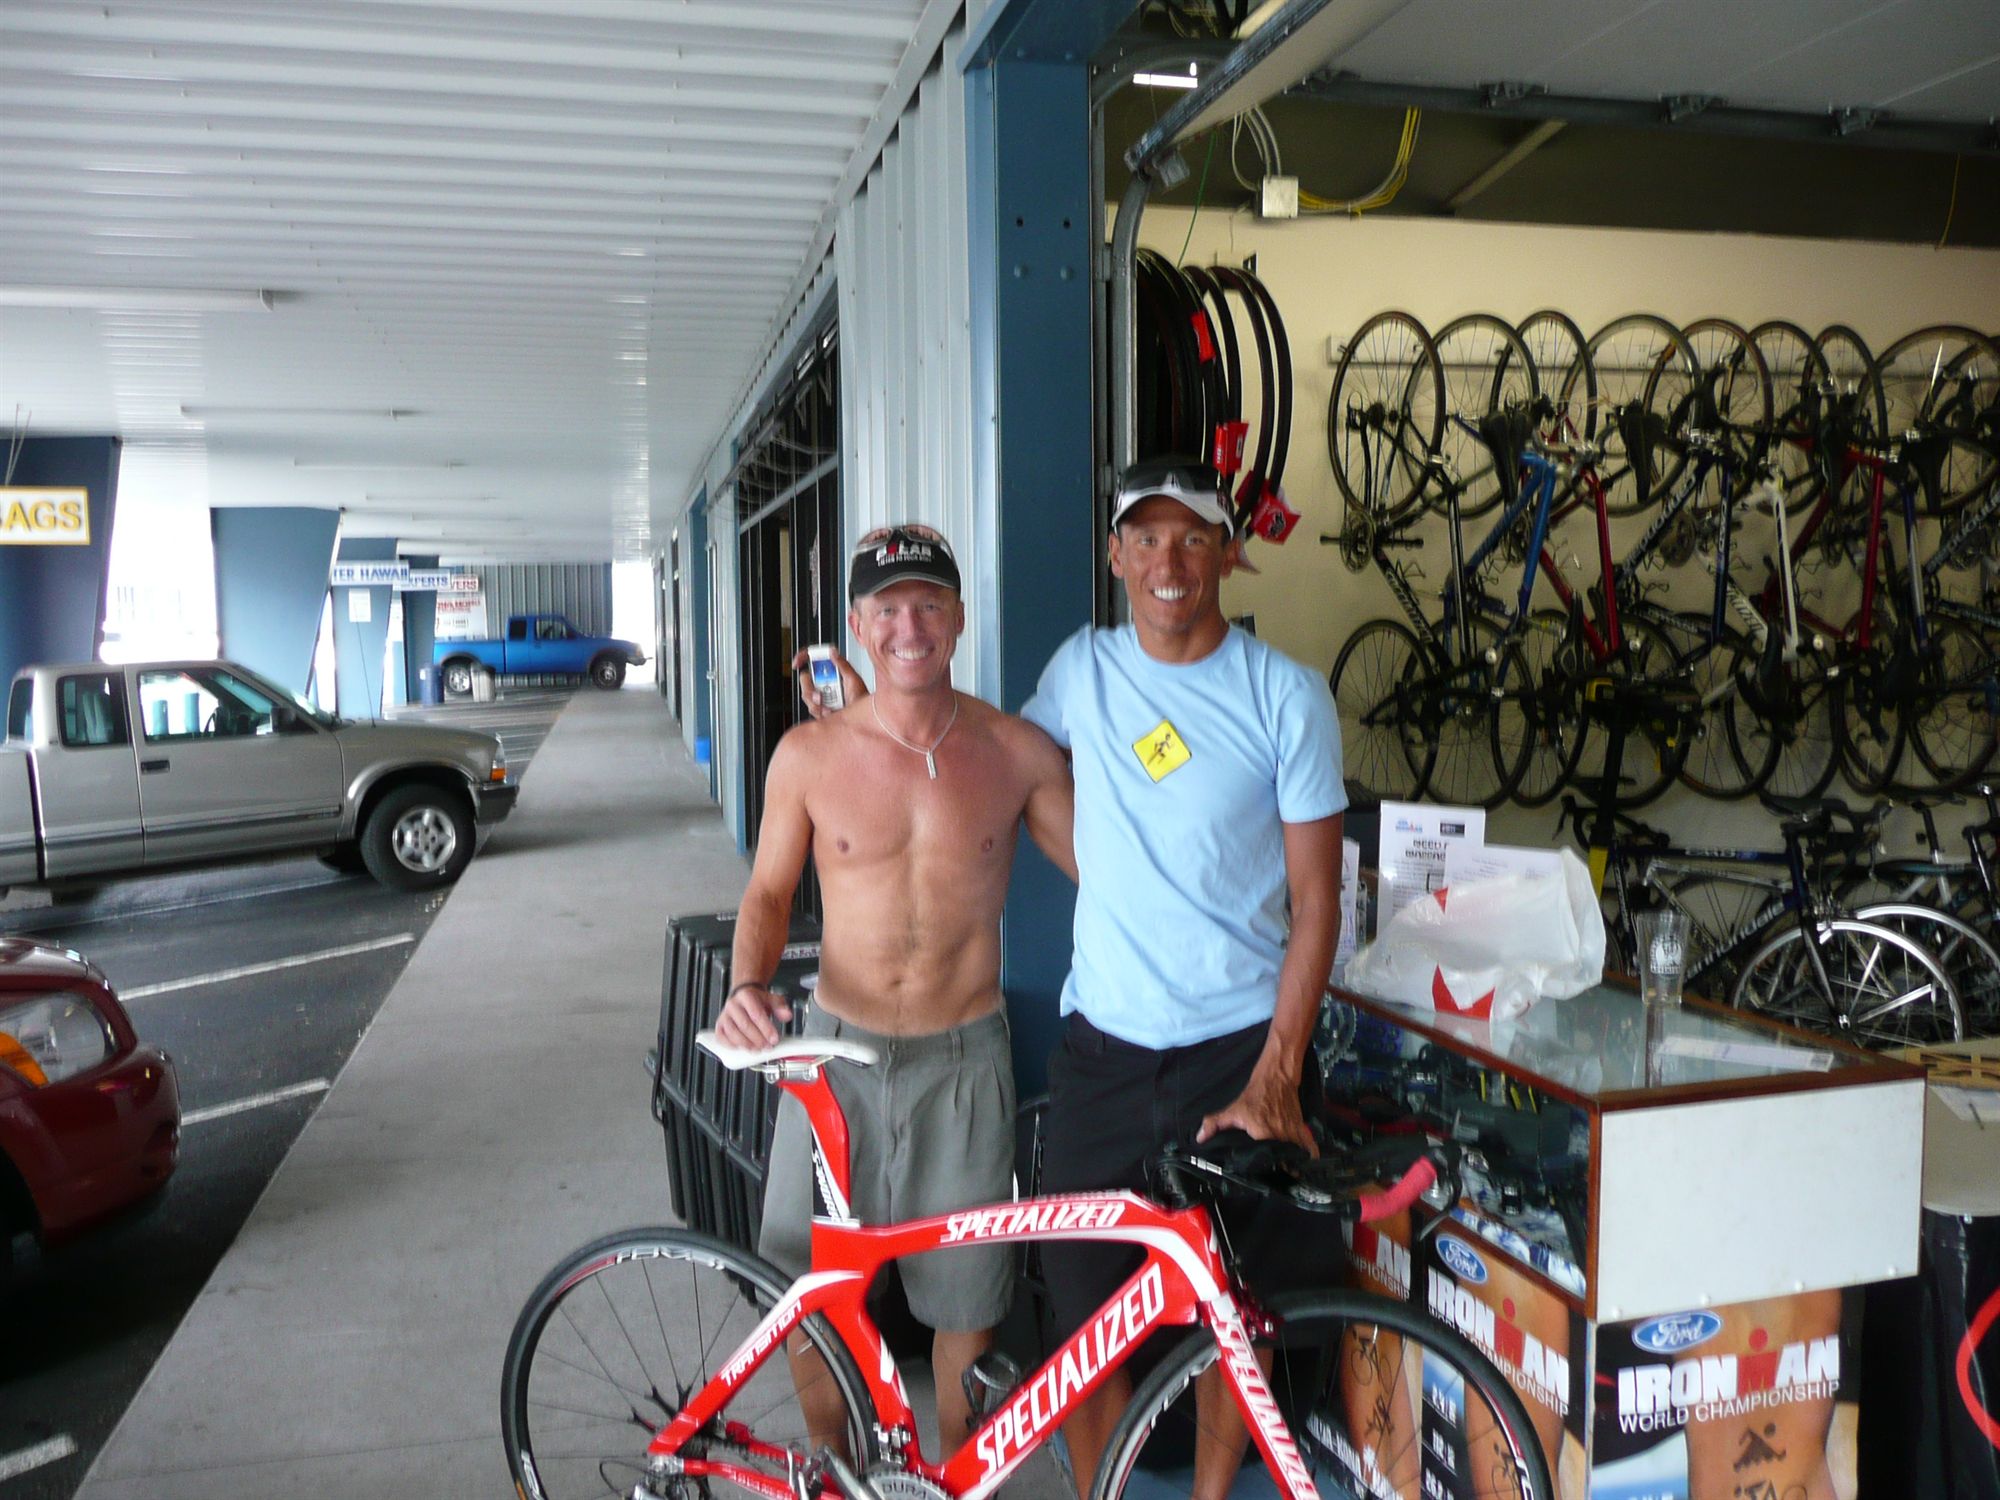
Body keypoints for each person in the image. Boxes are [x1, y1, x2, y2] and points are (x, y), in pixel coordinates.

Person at [1019, 457, 1346, 1500]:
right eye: (1147, 537)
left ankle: (1208, 1495)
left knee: (1234, 1315)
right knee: (1082, 1317)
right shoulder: (1080, 672)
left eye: (1193, 536)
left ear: (1227, 554)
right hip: (1103, 1055)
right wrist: (1112, 873)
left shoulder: (1284, 694)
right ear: (1117, 557)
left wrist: (1277, 1075)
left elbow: (1319, 901)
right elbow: (1012, 770)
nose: (1170, 559)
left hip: (1237, 1052)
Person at [716, 522, 1075, 1453]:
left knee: (968, 1310)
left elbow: (1113, 877)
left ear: (958, 618)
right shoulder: (809, 754)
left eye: (928, 604)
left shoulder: (1016, 753)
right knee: (809, 1295)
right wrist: (747, 984)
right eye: (887, 609)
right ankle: (835, 1472)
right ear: (857, 625)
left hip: (964, 1066)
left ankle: (949, 1480)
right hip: (834, 1060)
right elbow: (767, 895)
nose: (908, 627)